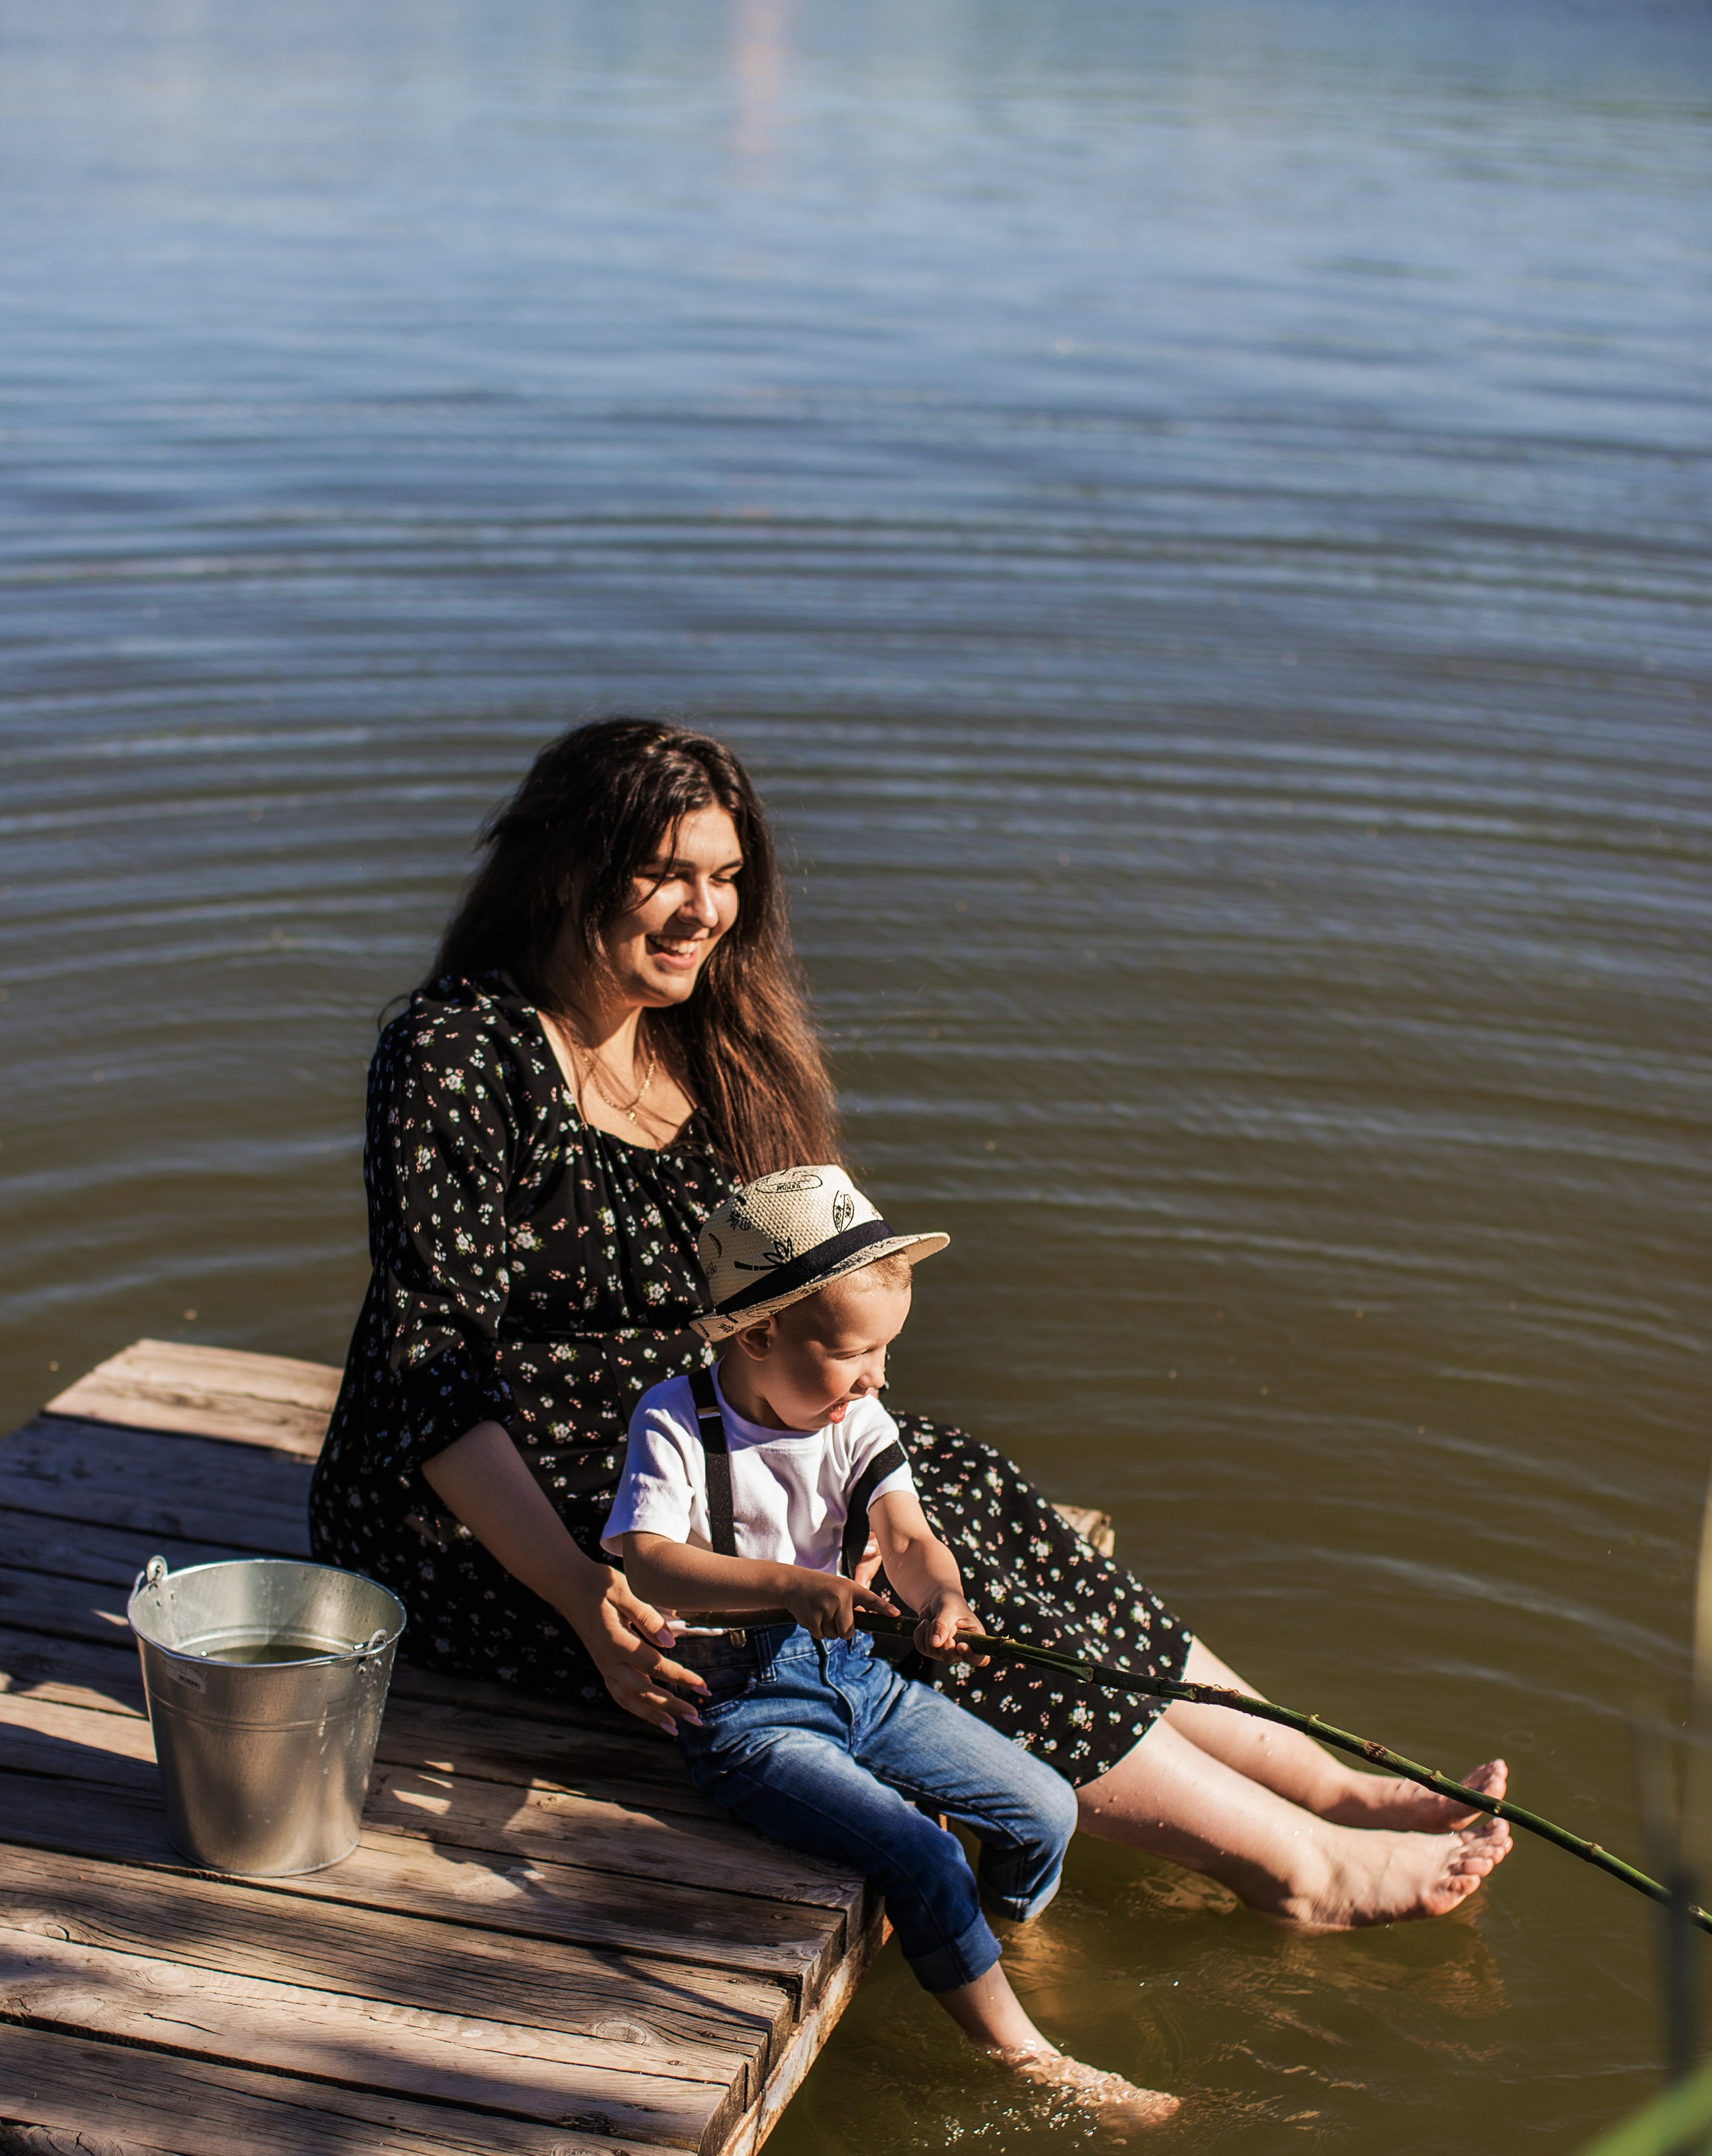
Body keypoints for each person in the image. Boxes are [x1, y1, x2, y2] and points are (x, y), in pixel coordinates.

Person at [310, 716, 1513, 1930]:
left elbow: (818, 1310)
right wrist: (583, 1596)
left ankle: (1324, 1782)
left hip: (698, 1418)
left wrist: (872, 1471)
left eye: (726, 878)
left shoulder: (709, 1043)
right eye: (665, 873)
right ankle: (1293, 1868)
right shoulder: (456, 1055)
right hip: (494, 1506)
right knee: (889, 1588)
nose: (701, 912)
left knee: (959, 1494)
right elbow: (431, 1381)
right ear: (567, 867)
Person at [603, 1163, 1188, 2129]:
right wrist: (793, 1588)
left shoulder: (855, 1414)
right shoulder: (675, 1418)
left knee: (1045, 1806)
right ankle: (1025, 2056)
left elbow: (908, 1539)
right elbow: (654, 1565)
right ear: (759, 1335)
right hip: (747, 1713)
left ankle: (998, 1940)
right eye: (856, 1352)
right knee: (922, 1854)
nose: (879, 1377)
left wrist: (944, 1598)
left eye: (886, 1351)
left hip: (858, 1680)